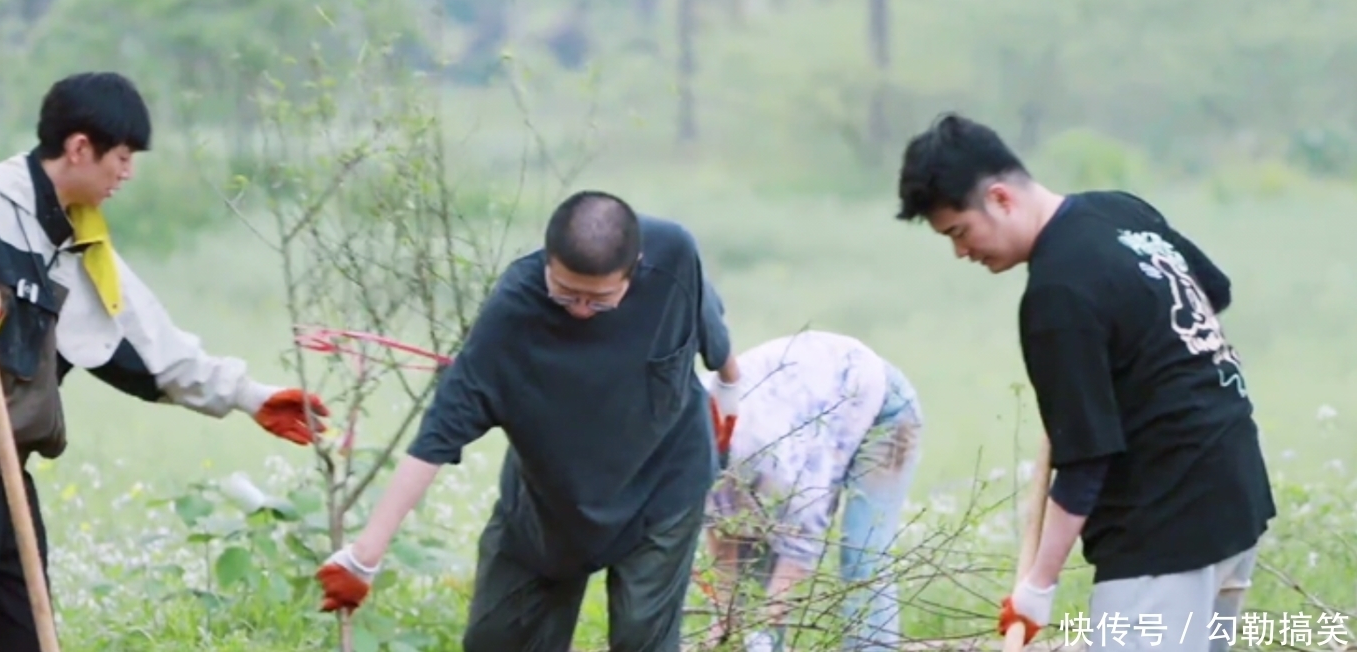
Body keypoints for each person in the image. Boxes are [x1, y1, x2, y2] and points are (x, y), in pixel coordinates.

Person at [0, 71, 330, 652]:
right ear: (80, 148)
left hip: (8, 478)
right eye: (123, 158)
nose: (126, 175)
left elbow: (150, 340)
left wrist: (249, 397)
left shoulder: (77, 240)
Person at [893, 113, 1276, 652]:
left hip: (1164, 530)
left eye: (959, 231)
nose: (961, 252)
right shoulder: (1122, 211)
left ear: (1001, 198)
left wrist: (1037, 587)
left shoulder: (1057, 294)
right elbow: (1212, 292)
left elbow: (1084, 463)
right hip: (1236, 494)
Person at [313, 190, 743, 651]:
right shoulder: (512, 313)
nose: (579, 309)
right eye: (565, 292)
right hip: (551, 505)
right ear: (547, 260)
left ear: (634, 268)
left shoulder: (674, 255)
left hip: (664, 486)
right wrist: (365, 556)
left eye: (598, 300)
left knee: (643, 638)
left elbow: (712, 335)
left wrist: (731, 394)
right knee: (498, 641)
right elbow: (438, 434)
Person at [697, 330, 923, 652]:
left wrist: (766, 617)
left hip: (880, 406)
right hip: (805, 412)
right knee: (751, 577)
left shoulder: (764, 452)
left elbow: (804, 535)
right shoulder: (682, 443)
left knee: (862, 557)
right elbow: (724, 527)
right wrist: (724, 616)